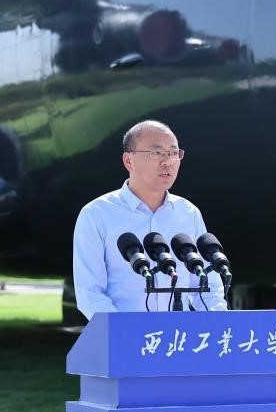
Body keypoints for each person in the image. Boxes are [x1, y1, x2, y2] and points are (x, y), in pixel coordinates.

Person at [73, 120, 228, 317]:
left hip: (179, 334)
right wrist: (125, 331)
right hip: (124, 333)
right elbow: (90, 293)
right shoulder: (96, 215)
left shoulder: (188, 213)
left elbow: (207, 287)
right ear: (128, 161)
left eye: (173, 153)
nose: (167, 161)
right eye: (156, 153)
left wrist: (219, 323)